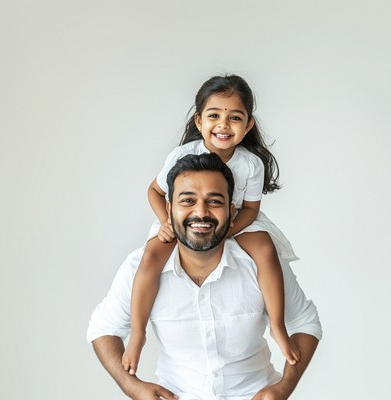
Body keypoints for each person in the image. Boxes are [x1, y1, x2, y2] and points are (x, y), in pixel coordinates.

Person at [87, 152, 322, 400]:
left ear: (232, 212)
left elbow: (306, 323)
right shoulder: (141, 267)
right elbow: (103, 328)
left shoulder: (262, 264)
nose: (201, 212)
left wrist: (284, 387)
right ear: (169, 209)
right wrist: (131, 386)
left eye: (214, 202)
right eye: (188, 200)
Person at [123, 75, 300, 376]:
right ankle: (138, 333)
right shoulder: (183, 155)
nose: (223, 124)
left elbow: (253, 209)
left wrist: (228, 230)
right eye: (214, 116)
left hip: (236, 218)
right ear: (199, 120)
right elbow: (155, 191)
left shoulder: (250, 164)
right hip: (186, 221)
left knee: (265, 250)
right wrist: (166, 222)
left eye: (235, 118)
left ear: (248, 126)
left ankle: (278, 326)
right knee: (151, 256)